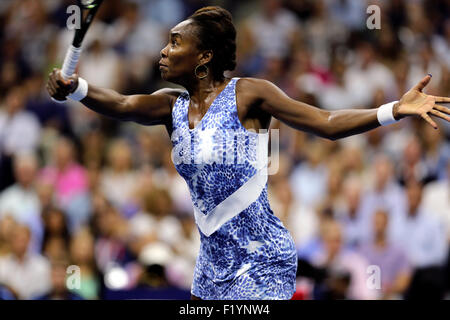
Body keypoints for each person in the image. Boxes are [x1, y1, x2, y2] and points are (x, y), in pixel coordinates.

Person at [47, 6, 450, 300]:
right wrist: (77, 88)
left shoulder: (248, 94)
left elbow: (325, 123)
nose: (164, 51)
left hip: (262, 264)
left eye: (175, 42)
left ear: (204, 57)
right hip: (209, 271)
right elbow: (118, 103)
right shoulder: (169, 106)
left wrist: (393, 109)